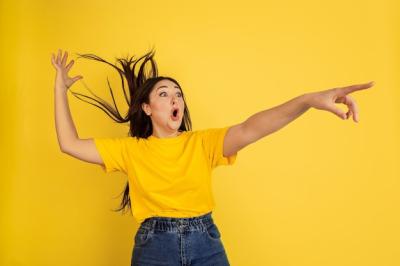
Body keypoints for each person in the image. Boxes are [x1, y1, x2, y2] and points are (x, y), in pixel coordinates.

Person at [51, 48, 374, 266]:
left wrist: (307, 100)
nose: (174, 98)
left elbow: (254, 127)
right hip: (154, 245)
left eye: (178, 94)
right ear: (147, 108)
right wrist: (60, 89)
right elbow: (69, 143)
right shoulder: (130, 149)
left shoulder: (202, 143)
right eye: (164, 94)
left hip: (205, 240)